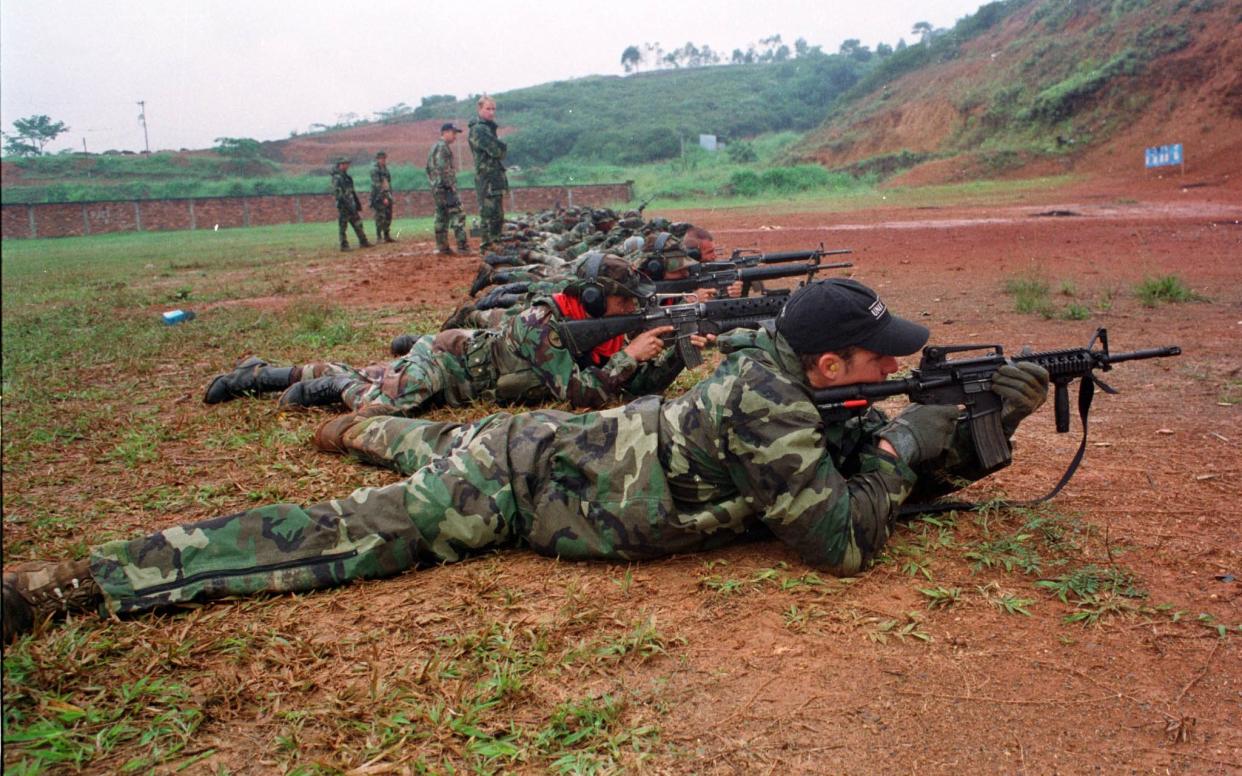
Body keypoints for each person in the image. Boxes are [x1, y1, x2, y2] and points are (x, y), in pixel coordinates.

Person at [2, 278, 1051, 642]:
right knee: (337, 534)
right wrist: (891, 440)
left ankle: (349, 421)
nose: (894, 367)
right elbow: (838, 539)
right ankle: (74, 583)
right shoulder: (778, 408)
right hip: (516, 484)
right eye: (882, 360)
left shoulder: (785, 371)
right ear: (830, 361)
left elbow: (861, 467)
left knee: (418, 436)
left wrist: (956, 436)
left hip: (546, 447)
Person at [201, 255, 695, 417]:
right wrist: (629, 356)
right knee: (386, 404)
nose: (631, 310)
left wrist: (672, 352)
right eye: (624, 302)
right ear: (591, 300)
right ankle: (329, 390)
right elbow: (582, 395)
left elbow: (630, 390)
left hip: (464, 374)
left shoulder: (585, 327)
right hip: (447, 362)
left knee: (373, 373)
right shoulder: (542, 323)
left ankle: (262, 373)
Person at [468, 95, 508, 252]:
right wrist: (501, 147)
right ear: (480, 109)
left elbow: (498, 151)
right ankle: (487, 245)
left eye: (493, 109)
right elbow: (497, 151)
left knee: (498, 213)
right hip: (486, 176)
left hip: (494, 175)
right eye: (488, 109)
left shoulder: (488, 128)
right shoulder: (479, 129)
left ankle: (495, 243)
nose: (491, 112)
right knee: (488, 213)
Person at [426, 123, 470, 255]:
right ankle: (462, 247)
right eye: (453, 133)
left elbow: (429, 169)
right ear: (445, 132)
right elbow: (442, 169)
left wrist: (435, 184)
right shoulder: (442, 148)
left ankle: (442, 247)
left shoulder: (435, 147)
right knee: (458, 215)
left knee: (441, 216)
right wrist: (450, 186)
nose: (455, 136)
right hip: (446, 188)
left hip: (437, 188)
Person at [332, 157, 371, 251]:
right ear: (340, 165)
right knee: (343, 226)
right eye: (344, 164)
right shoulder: (337, 178)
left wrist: (356, 203)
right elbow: (338, 193)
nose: (346, 166)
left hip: (351, 204)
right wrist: (346, 203)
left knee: (358, 223)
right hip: (343, 206)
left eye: (347, 164)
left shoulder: (347, 177)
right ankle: (344, 245)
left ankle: (363, 241)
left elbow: (352, 191)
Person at [370, 151, 395, 243]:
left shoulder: (385, 168)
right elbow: (377, 185)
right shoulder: (375, 169)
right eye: (382, 158)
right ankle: (379, 237)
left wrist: (389, 196)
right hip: (378, 196)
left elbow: (387, 182)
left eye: (384, 158)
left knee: (388, 216)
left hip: (387, 194)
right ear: (377, 159)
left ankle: (386, 235)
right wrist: (383, 197)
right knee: (380, 217)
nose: (383, 160)